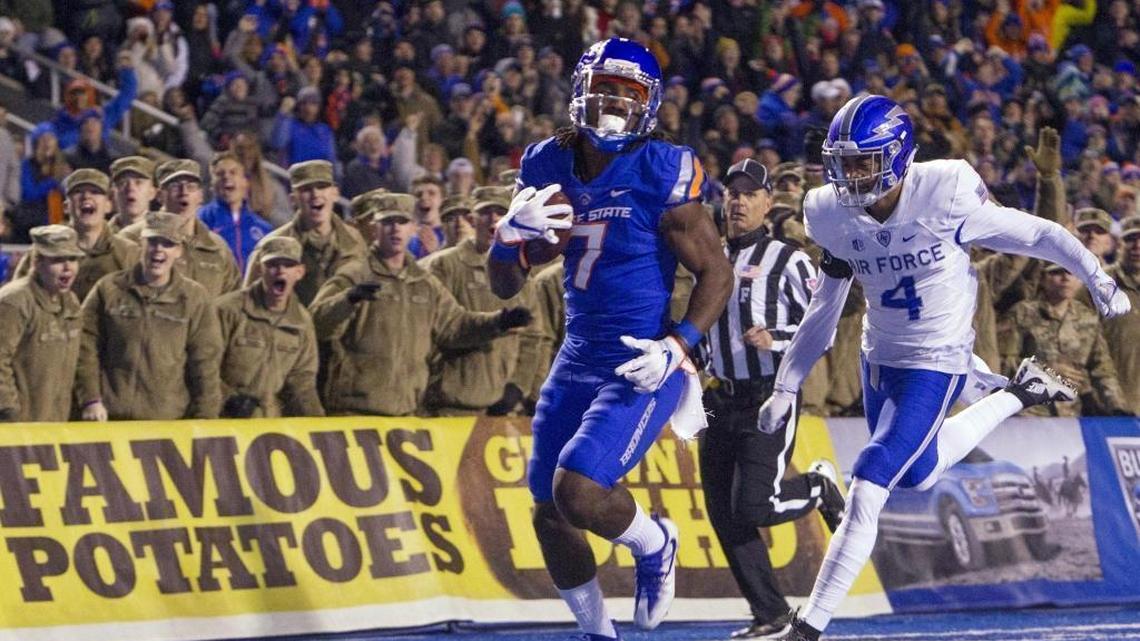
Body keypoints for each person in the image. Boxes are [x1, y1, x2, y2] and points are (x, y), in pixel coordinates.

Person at [761, 95, 1132, 641]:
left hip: (937, 359)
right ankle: (1017, 393)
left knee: (871, 478)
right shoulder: (830, 212)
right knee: (917, 471)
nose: (853, 173)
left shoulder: (944, 192)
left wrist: (1097, 278)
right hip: (878, 354)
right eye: (844, 161)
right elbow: (827, 302)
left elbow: (1040, 235)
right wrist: (786, 382)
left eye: (865, 160)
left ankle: (806, 627)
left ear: (898, 155)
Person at [487, 38, 733, 639]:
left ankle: (654, 544)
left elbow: (717, 272)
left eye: (629, 96)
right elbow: (503, 287)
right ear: (581, 94)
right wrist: (504, 237)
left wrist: (678, 346)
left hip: (641, 359)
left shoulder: (661, 169)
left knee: (579, 489)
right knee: (549, 512)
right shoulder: (546, 163)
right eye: (606, 93)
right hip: (575, 356)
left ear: (649, 105)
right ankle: (598, 633)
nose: (615, 107)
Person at [702, 158, 845, 640]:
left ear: (768, 203)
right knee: (723, 513)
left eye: (748, 193)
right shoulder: (709, 257)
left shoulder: (790, 258)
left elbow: (821, 330)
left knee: (754, 508)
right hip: (717, 398)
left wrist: (778, 338)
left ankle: (817, 487)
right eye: (731, 192)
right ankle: (770, 615)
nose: (738, 200)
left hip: (770, 396)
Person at [310, 193, 533, 416]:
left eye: (402, 222)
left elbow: (454, 325)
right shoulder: (355, 274)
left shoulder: (424, 282)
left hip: (406, 411)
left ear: (413, 228)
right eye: (387, 222)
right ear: (375, 228)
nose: (395, 229)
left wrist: (498, 322)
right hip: (354, 411)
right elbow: (317, 322)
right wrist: (347, 300)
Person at [77, 212, 223, 421]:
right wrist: (91, 399)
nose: (159, 250)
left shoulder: (194, 298)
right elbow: (85, 346)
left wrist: (205, 418)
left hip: (166, 424)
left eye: (168, 244)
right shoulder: (109, 288)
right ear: (141, 245)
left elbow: (206, 364)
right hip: (108, 419)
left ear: (179, 251)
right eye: (153, 242)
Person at [421, 186, 540, 416]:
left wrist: (518, 386)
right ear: (471, 219)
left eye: (500, 212)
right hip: (450, 404)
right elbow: (441, 328)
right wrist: (497, 323)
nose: (493, 218)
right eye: (486, 212)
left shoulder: (520, 271)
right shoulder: (443, 266)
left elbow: (534, 338)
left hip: (503, 406)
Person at [216, 236, 324, 418]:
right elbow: (204, 366)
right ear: (260, 269)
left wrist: (321, 428)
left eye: (288, 265)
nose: (280, 271)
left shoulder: (301, 322)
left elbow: (302, 381)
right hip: (224, 420)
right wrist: (228, 399)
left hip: (269, 425)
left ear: (299, 272)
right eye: (273, 264)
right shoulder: (228, 310)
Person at [244, 161, 367, 305]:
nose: (315, 194)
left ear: (335, 193)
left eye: (322, 187)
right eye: (306, 189)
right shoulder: (272, 246)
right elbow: (249, 303)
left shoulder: (357, 241)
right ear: (293, 199)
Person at [119, 159, 242, 297]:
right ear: (160, 196)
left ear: (200, 196)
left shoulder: (217, 248)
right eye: (175, 186)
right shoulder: (132, 238)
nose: (184, 192)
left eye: (191, 186)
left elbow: (232, 302)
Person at [12, 169, 140, 301]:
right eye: (78, 192)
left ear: (108, 205)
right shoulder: (44, 250)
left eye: (95, 192)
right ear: (66, 207)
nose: (86, 197)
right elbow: (19, 297)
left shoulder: (128, 252)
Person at [0, 225, 84, 422]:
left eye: (72, 259)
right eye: (57, 260)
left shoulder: (71, 301)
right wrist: (10, 412)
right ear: (37, 262)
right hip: (19, 426)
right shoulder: (14, 301)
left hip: (54, 423)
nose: (68, 267)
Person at [198, 151, 274, 272]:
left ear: (245, 182)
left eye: (233, 172)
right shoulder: (200, 221)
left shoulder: (264, 229)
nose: (226, 177)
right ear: (212, 186)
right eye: (219, 174)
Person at [1103, 217, 1140, 415]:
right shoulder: (1102, 283)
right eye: (1131, 239)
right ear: (1119, 244)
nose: (1137, 246)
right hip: (1115, 404)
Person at [107, 155, 157, 233]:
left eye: (138, 182)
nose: (130, 188)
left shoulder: (168, 236)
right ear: (113, 193)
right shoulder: (98, 237)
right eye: (122, 183)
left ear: (152, 193)